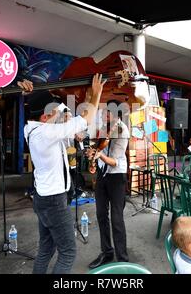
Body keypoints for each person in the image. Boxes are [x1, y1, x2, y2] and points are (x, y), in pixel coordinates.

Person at [22, 74, 104, 274]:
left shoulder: (30, 128)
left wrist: (35, 93)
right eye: (54, 114)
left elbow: (63, 111)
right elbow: (86, 119)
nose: (59, 116)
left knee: (46, 249)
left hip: (43, 198)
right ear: (44, 117)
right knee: (68, 253)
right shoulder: (45, 133)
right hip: (54, 201)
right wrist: (96, 94)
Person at [88, 100, 130, 269]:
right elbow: (98, 146)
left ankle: (122, 259)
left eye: (108, 112)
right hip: (102, 175)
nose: (105, 115)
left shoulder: (122, 130)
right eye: (105, 112)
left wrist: (99, 155)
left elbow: (114, 162)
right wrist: (91, 152)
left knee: (117, 218)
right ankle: (106, 252)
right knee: (100, 214)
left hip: (116, 176)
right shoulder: (104, 128)